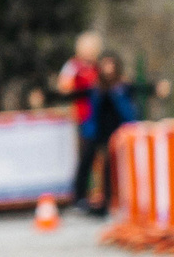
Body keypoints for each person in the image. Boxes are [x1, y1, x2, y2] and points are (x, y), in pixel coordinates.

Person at [85, 53, 140, 217]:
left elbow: (130, 108)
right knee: (104, 168)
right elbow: (92, 110)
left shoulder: (122, 87)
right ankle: (106, 201)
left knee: (123, 168)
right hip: (101, 134)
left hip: (120, 132)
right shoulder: (97, 88)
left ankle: (124, 201)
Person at [57, 31, 103, 205]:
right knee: (85, 156)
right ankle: (80, 196)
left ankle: (99, 194)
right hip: (83, 118)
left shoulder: (98, 66)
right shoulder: (73, 65)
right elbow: (64, 86)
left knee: (99, 159)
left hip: (99, 118)